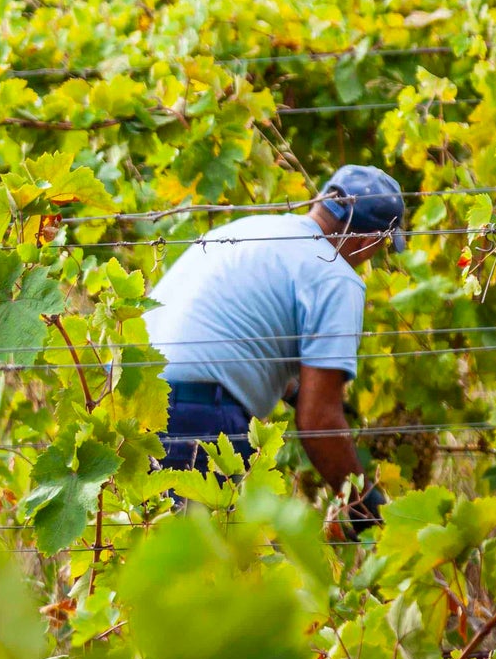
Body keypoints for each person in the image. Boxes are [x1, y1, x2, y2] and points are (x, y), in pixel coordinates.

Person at [141, 164, 405, 528]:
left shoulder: (252, 230)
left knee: (138, 561)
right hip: (198, 416)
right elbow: (318, 422)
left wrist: (297, 389)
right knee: (196, 574)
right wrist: (365, 508)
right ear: (368, 240)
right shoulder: (335, 276)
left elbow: (231, 332)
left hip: (130, 401)